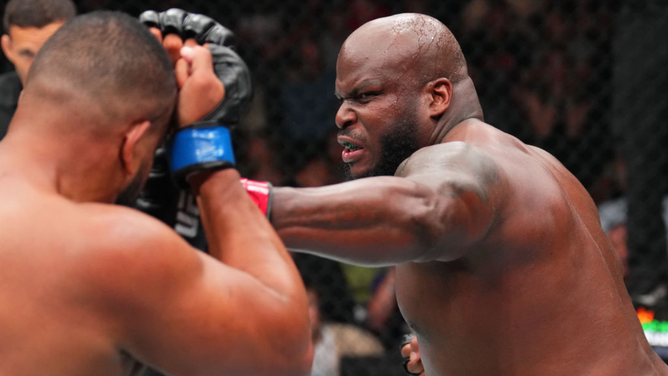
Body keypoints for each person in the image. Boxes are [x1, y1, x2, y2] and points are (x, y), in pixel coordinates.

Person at [239, 13, 668, 375]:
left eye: (366, 95)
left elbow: (426, 211)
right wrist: (448, 347)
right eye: (342, 98)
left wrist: (241, 203)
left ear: (437, 97)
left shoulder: (467, 159)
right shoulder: (542, 166)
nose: (342, 115)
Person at [0, 10, 312, 376]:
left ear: (25, 101)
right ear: (130, 147)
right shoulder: (107, 250)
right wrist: (203, 146)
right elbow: (286, 357)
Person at [0, 0, 76, 138]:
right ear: (8, 48)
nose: (39, 66)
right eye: (27, 54)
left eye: (50, 51)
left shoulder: (106, 104)